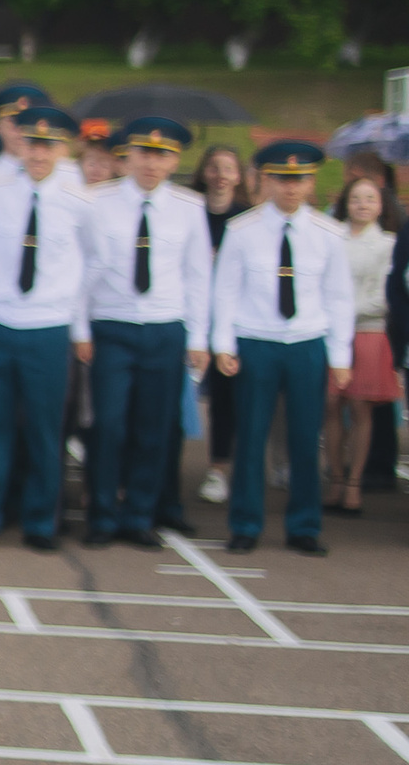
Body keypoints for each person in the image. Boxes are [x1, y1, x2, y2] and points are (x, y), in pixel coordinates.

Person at [0, 107, 95, 551]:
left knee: (44, 430)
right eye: (33, 145)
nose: (39, 154)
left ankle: (41, 521)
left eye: (49, 145)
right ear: (21, 145)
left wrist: (76, 320)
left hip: (49, 328)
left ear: (64, 148)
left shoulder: (79, 200)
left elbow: (93, 265)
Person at [75, 116, 212, 548]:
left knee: (154, 428)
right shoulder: (98, 201)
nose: (152, 163)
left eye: (163, 155)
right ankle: (101, 514)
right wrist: (81, 328)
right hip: (111, 324)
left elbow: (198, 276)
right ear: (127, 157)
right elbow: (80, 270)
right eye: (144, 153)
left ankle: (138, 514)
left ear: (174, 161)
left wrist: (199, 338)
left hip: (165, 326)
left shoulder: (189, 207)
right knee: (109, 425)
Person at [212, 141, 352, 555]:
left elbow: (339, 297)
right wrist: (223, 344)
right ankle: (245, 523)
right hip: (257, 341)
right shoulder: (242, 230)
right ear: (267, 181)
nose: (291, 188)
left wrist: (340, 357)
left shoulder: (329, 234)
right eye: (282, 179)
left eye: (300, 180)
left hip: (307, 342)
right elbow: (226, 292)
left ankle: (304, 525)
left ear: (311, 183)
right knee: (251, 436)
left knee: (306, 438)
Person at [326, 174, 397, 516]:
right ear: (346, 202)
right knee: (330, 404)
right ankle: (335, 479)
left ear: (381, 205)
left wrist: (340, 311)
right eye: (356, 198)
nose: (362, 205)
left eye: (370, 198)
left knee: (359, 409)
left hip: (367, 331)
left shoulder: (388, 244)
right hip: (330, 333)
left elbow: (383, 297)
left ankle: (355, 482)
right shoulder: (331, 236)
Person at [193, 142, 250, 505]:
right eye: (214, 167)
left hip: (233, 317)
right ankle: (211, 467)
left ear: (239, 176)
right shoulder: (190, 212)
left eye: (228, 168)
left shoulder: (247, 219)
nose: (220, 175)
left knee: (231, 396)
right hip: (196, 313)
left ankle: (227, 467)